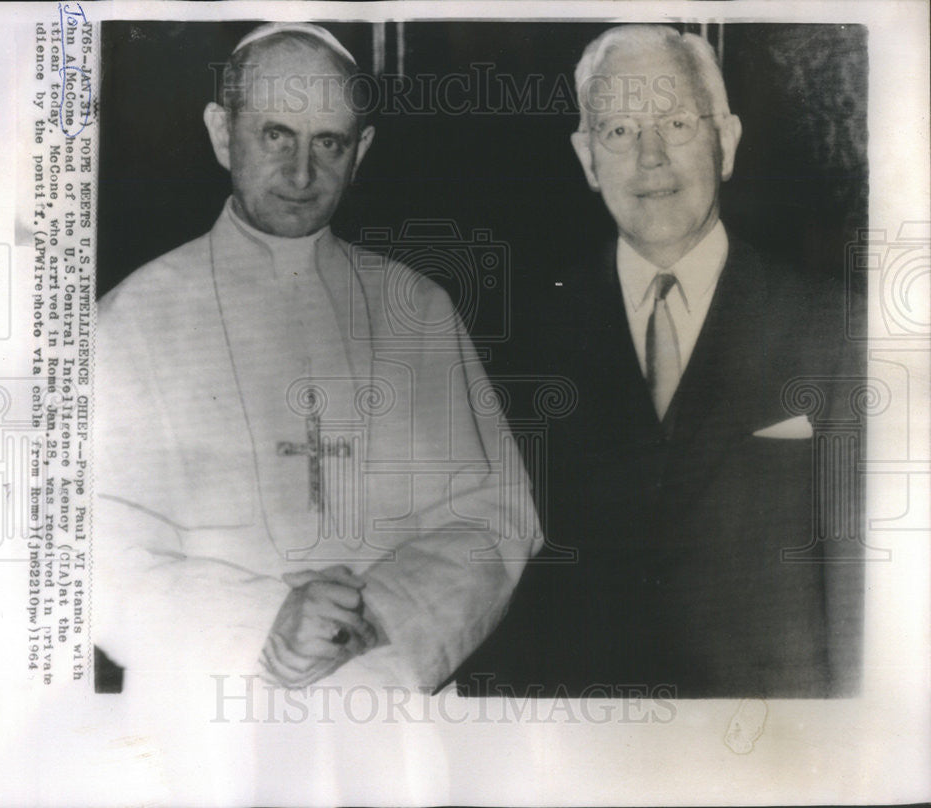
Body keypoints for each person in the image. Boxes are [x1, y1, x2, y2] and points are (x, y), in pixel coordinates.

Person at [94, 22, 540, 696]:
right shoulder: (132, 319)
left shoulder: (416, 309)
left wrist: (382, 613)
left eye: (327, 142)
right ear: (222, 132)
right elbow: (90, 545)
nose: (302, 174)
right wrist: (263, 625)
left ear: (360, 150)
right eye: (276, 135)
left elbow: (496, 515)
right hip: (205, 712)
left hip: (388, 702)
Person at [457, 24, 864, 697]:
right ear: (587, 158)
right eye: (618, 132)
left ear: (725, 141)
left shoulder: (835, 328)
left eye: (676, 122)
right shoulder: (519, 338)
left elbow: (864, 588)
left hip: (765, 745)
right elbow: (495, 563)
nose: (650, 158)